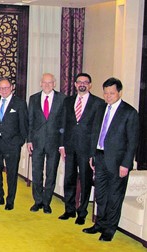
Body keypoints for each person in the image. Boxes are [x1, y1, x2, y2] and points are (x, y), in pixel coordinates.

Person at [83, 77, 139, 242]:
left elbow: (132, 142)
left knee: (114, 197)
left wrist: (126, 164)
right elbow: (95, 133)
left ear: (119, 93)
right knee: (100, 195)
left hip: (118, 162)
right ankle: (99, 224)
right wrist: (93, 155)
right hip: (99, 157)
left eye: (112, 93)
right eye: (106, 93)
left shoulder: (129, 112)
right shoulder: (101, 109)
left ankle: (109, 229)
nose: (108, 96)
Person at [58, 73, 103, 224]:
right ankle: (69, 209)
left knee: (85, 181)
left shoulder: (98, 103)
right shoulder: (68, 101)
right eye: (79, 82)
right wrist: (62, 145)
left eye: (85, 82)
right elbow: (63, 124)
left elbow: (97, 129)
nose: (82, 84)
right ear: (75, 84)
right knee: (69, 179)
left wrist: (93, 153)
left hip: (87, 150)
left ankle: (82, 213)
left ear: (90, 85)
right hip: (69, 147)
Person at [0, 78, 28, 210]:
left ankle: (10, 200)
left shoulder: (20, 103)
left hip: (12, 144)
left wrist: (19, 141)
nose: (3, 90)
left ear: (12, 87)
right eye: (1, 88)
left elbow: (24, 125)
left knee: (11, 173)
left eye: (6, 88)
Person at [27, 73, 66, 214]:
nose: (47, 85)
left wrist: (62, 145)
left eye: (50, 82)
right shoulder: (33, 99)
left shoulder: (62, 99)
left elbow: (63, 123)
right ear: (40, 83)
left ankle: (46, 202)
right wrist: (29, 140)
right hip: (37, 142)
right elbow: (30, 121)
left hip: (54, 143)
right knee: (37, 172)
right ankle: (37, 201)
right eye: (45, 82)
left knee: (51, 173)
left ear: (54, 83)